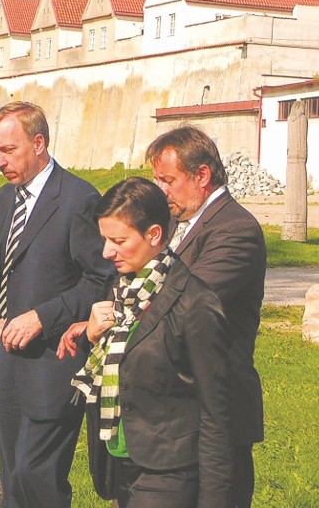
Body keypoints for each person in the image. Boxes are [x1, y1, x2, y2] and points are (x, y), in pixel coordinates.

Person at [58, 176, 233, 508]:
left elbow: (217, 413)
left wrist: (214, 499)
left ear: (154, 234)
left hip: (168, 472)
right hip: (121, 465)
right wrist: (91, 337)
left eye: (118, 240)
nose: (107, 251)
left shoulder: (195, 304)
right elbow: (120, 364)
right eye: (104, 239)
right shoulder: (123, 289)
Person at [0, 101, 115, 507]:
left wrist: (43, 317)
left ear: (39, 143)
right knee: (13, 480)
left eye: (8, 150)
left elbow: (100, 279)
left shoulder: (78, 199)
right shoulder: (3, 201)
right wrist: (2, 313)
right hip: (9, 361)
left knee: (36, 477)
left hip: (56, 360)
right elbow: (9, 268)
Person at [147, 126, 266, 508]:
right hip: (178, 413)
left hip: (216, 410)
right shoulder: (183, 224)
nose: (160, 191)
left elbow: (185, 301)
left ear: (201, 176)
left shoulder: (235, 228)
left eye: (168, 180)